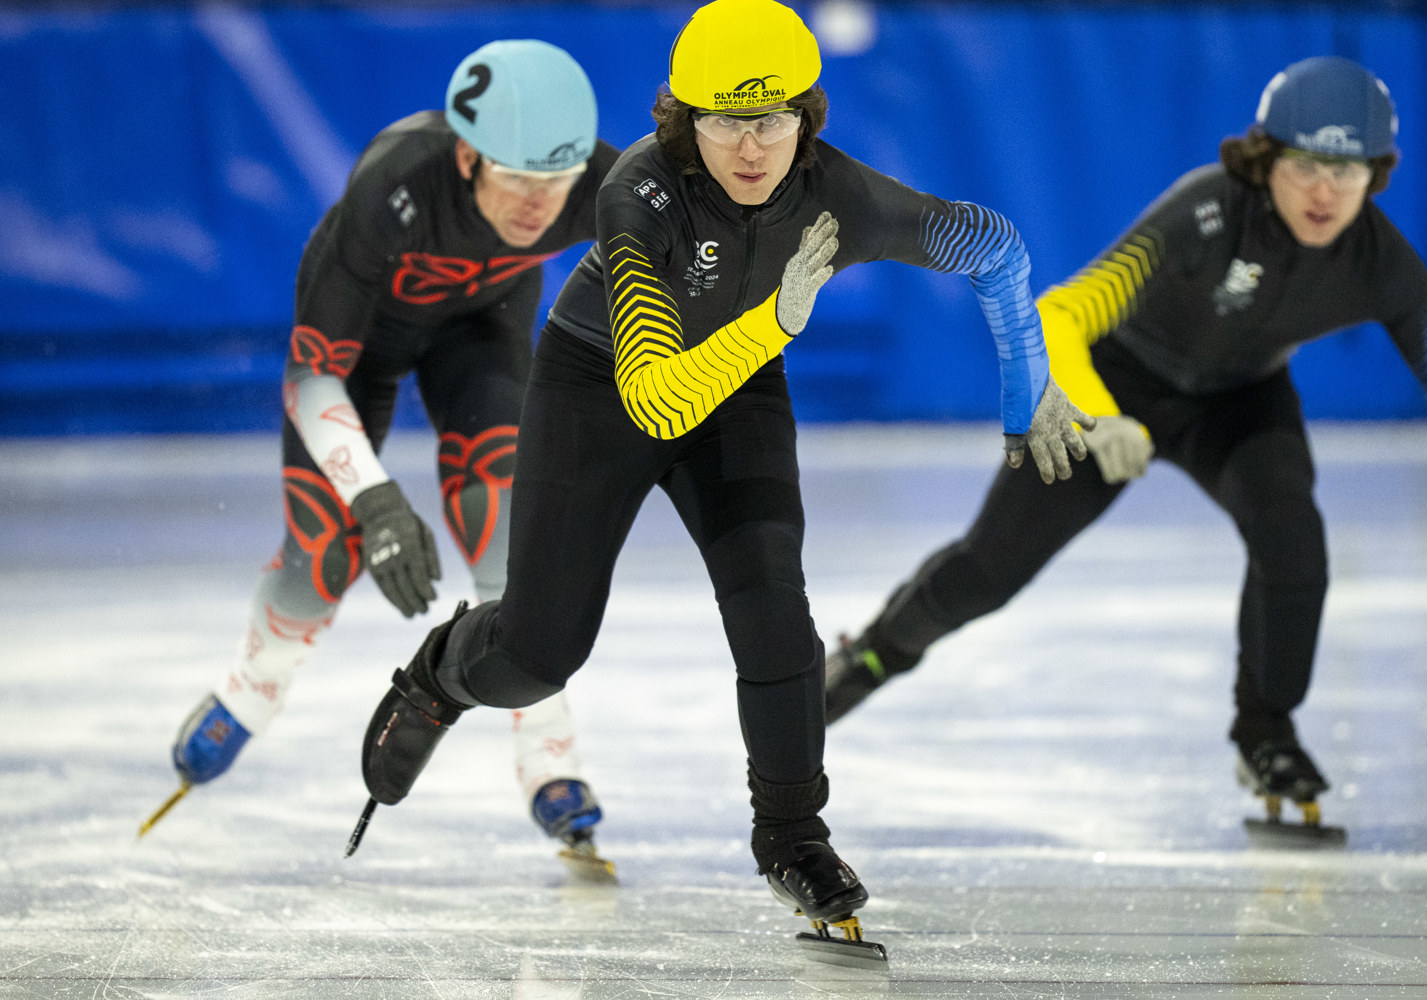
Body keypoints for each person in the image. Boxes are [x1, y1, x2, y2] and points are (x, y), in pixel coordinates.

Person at [346, 0, 1092, 962]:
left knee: (776, 608)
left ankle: (793, 835)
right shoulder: (639, 190)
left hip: (739, 387)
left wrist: (1025, 393)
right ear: (683, 122)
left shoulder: (840, 197)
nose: (751, 146)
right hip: (602, 386)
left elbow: (992, 245)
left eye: (772, 117)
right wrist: (774, 325)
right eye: (726, 121)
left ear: (808, 117)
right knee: (539, 653)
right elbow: (655, 400)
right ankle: (441, 674)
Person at [823, 56, 1427, 832]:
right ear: (1266, 161)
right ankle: (875, 653)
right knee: (988, 572)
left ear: (1376, 174)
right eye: (1305, 167)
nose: (1326, 193)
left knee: (1293, 539)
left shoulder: (1378, 262)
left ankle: (1266, 731)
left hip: (1238, 401)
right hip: (1117, 383)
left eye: (1348, 171)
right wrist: (1098, 413)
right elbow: (1064, 314)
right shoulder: (1209, 211)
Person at [148, 40, 623, 865]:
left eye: (555, 183)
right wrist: (376, 498)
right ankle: (255, 683)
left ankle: (549, 751)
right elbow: (309, 380)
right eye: (516, 180)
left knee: (511, 532)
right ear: (468, 155)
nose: (537, 208)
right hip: (353, 356)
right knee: (326, 552)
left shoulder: (600, 186)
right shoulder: (392, 188)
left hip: (481, 336)